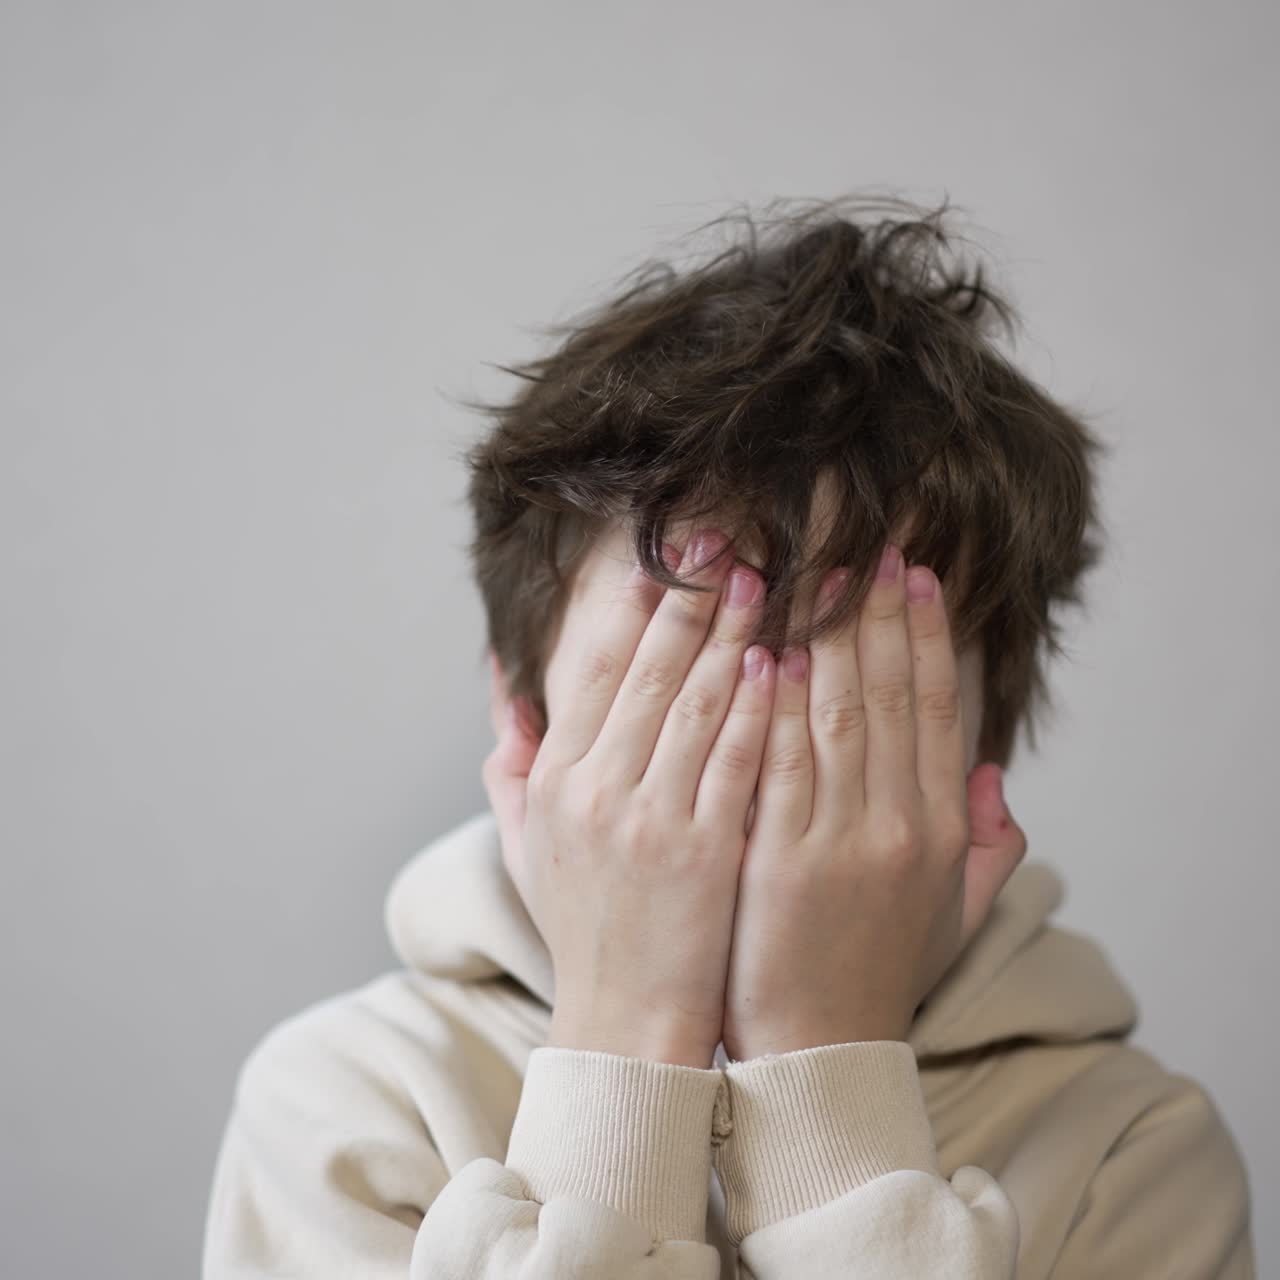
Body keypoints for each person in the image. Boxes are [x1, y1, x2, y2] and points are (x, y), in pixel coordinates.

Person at [201, 194, 1256, 1277]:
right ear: (525, 728)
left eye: (853, 711)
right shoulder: (344, 1111)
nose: (764, 769)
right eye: (675, 700)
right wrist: (627, 1025)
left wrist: (824, 1061)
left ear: (980, 773)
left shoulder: (1129, 1154)